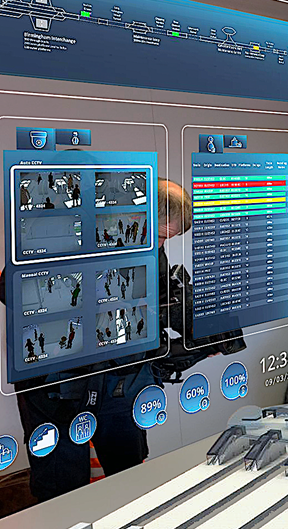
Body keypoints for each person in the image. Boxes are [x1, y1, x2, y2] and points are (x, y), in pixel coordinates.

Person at [0, 180, 194, 502]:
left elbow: (154, 301)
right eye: (162, 234)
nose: (164, 242)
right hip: (56, 385)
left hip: (118, 377)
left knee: (130, 473)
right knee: (63, 487)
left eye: (170, 237)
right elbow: (11, 290)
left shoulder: (151, 250)